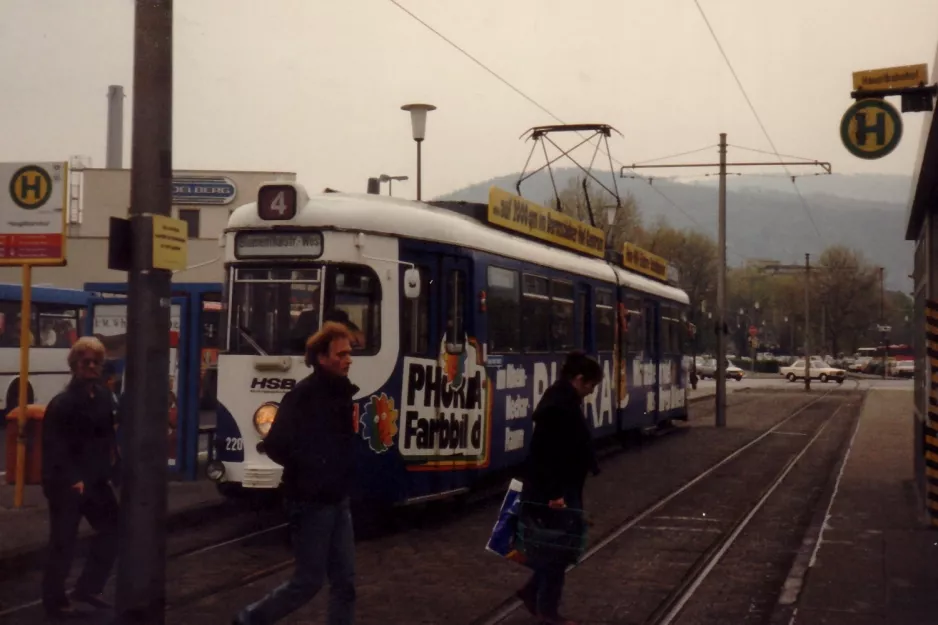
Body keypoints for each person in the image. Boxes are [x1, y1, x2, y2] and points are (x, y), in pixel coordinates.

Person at [234, 321, 358, 625]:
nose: (348, 359)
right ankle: (250, 619)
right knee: (308, 581)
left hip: (337, 499)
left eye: (349, 353)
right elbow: (275, 444)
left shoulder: (342, 394)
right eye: (341, 354)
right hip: (311, 501)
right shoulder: (303, 396)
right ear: (321, 358)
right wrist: (313, 471)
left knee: (345, 582)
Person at [516, 351, 603, 625]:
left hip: (561, 487)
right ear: (579, 380)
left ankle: (533, 593)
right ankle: (547, 611)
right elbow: (547, 455)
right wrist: (555, 495)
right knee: (560, 548)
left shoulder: (563, 401)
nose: (591, 392)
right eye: (591, 386)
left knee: (562, 546)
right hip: (556, 490)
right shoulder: (559, 407)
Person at [41, 336, 120, 619]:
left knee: (114, 529)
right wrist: (73, 478)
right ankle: (54, 599)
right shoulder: (62, 403)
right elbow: (54, 446)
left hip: (95, 479)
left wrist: (115, 470)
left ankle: (88, 587)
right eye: (85, 361)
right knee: (63, 540)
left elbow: (107, 437)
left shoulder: (101, 397)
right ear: (74, 365)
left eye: (96, 362)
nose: (91, 366)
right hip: (66, 482)